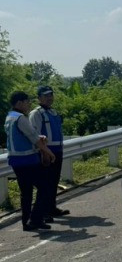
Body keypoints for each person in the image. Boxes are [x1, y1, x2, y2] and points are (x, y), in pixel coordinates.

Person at [4, 91, 57, 230]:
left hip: (15, 160)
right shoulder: (21, 118)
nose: (29, 104)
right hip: (27, 160)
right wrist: (49, 152)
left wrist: (39, 137)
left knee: (26, 192)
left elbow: (25, 135)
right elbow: (33, 138)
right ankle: (36, 218)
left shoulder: (10, 117)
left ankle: (26, 221)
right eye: (27, 102)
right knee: (45, 187)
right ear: (20, 103)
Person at [29, 85, 70, 218]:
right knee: (46, 183)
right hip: (46, 151)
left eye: (50, 95)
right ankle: (44, 211)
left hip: (57, 150)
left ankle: (51, 208)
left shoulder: (53, 112)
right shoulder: (36, 113)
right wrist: (43, 152)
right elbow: (34, 135)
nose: (49, 98)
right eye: (45, 96)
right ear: (39, 98)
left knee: (53, 181)